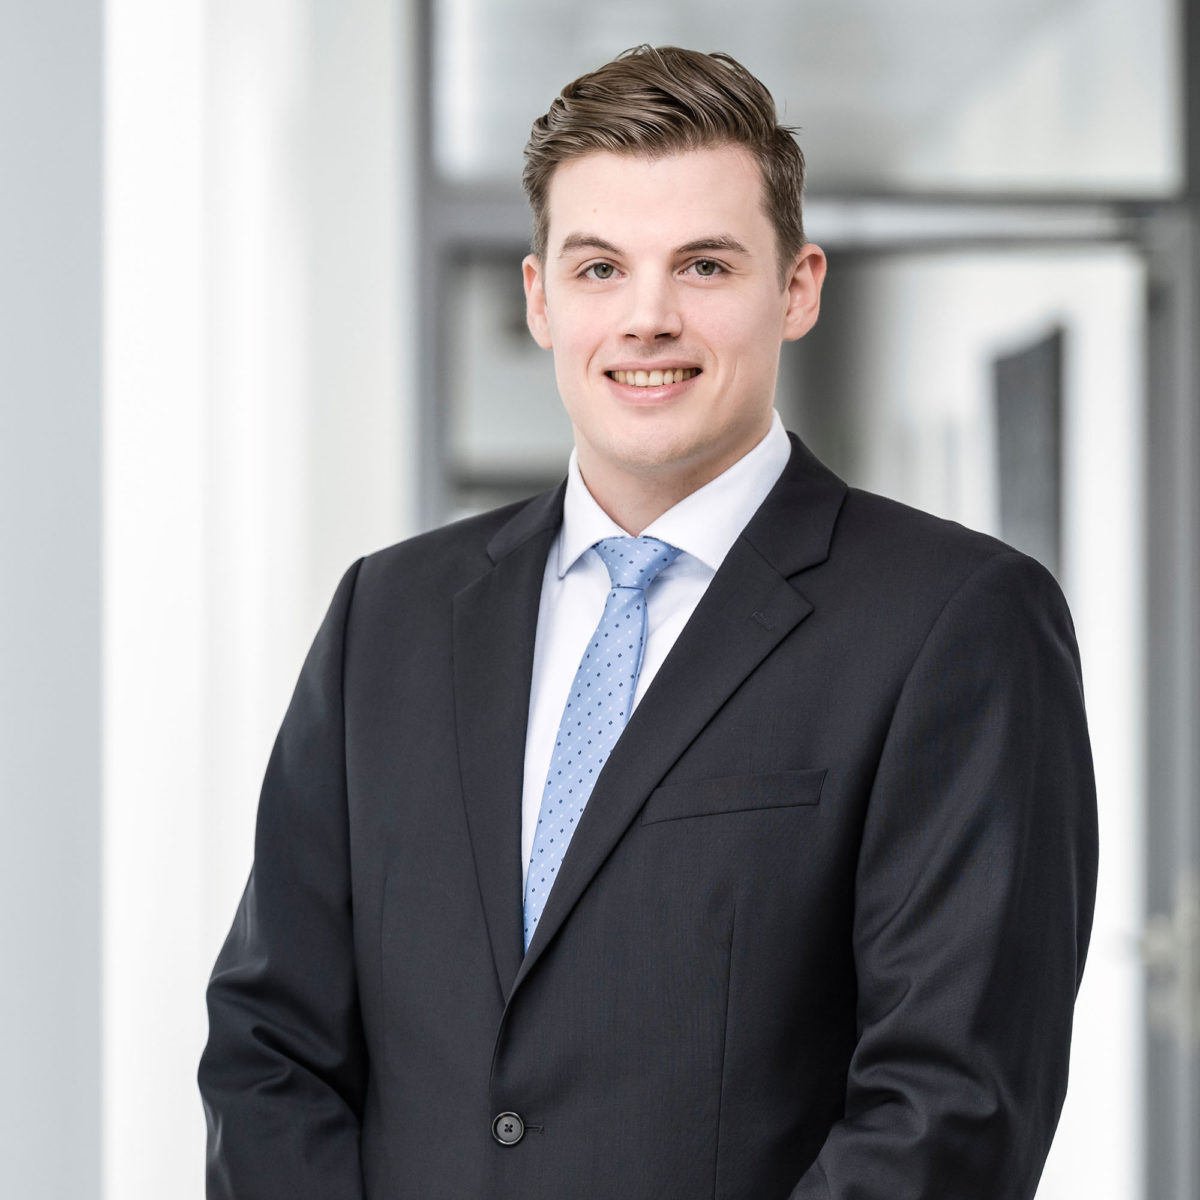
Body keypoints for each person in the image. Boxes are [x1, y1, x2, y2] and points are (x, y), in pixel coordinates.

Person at [199, 45, 1098, 1200]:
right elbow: (271, 1046)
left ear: (798, 288)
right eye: (600, 268)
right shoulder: (390, 617)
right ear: (540, 298)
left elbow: (950, 1109)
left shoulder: (957, 624)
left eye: (705, 265)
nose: (648, 318)